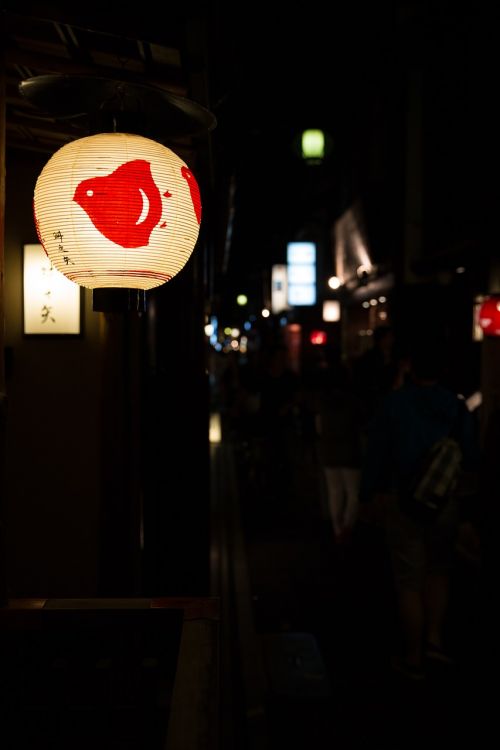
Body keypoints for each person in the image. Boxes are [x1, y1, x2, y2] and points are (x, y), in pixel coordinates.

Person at [359, 335, 479, 679]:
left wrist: (369, 494)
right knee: (439, 570)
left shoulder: (396, 404)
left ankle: (413, 656)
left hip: (404, 500)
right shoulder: (456, 407)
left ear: (410, 366)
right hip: (445, 502)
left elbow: (377, 453)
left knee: (409, 578)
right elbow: (470, 458)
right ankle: (435, 640)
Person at [314, 358, 364, 543]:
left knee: (334, 491)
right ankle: (347, 527)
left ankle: (337, 528)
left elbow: (318, 427)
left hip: (329, 451)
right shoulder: (353, 401)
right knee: (352, 492)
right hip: (350, 451)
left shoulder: (322, 402)